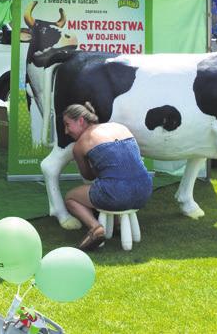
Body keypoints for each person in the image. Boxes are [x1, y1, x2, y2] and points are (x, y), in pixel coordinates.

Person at [62, 103, 153, 250]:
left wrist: (95, 166)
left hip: (116, 194)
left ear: (80, 120)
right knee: (115, 179)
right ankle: (116, 224)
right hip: (145, 190)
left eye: (67, 125)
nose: (66, 131)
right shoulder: (119, 127)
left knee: (71, 198)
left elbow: (88, 176)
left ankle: (95, 228)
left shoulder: (80, 145)